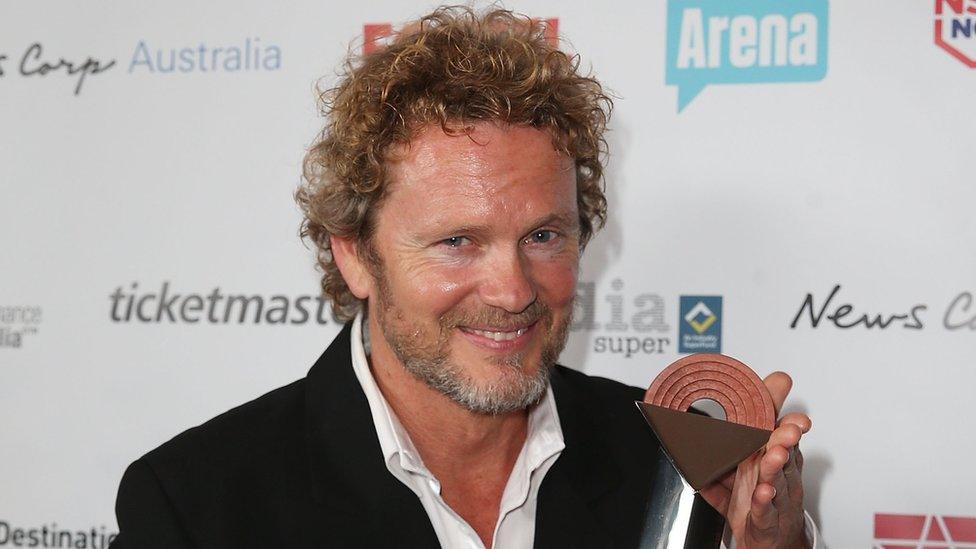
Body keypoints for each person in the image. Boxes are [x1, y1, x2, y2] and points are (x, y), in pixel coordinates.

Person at [111, 7, 821, 548]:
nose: (512, 291)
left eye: (543, 236)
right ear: (355, 254)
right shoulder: (196, 506)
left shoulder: (676, 464)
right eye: (457, 241)